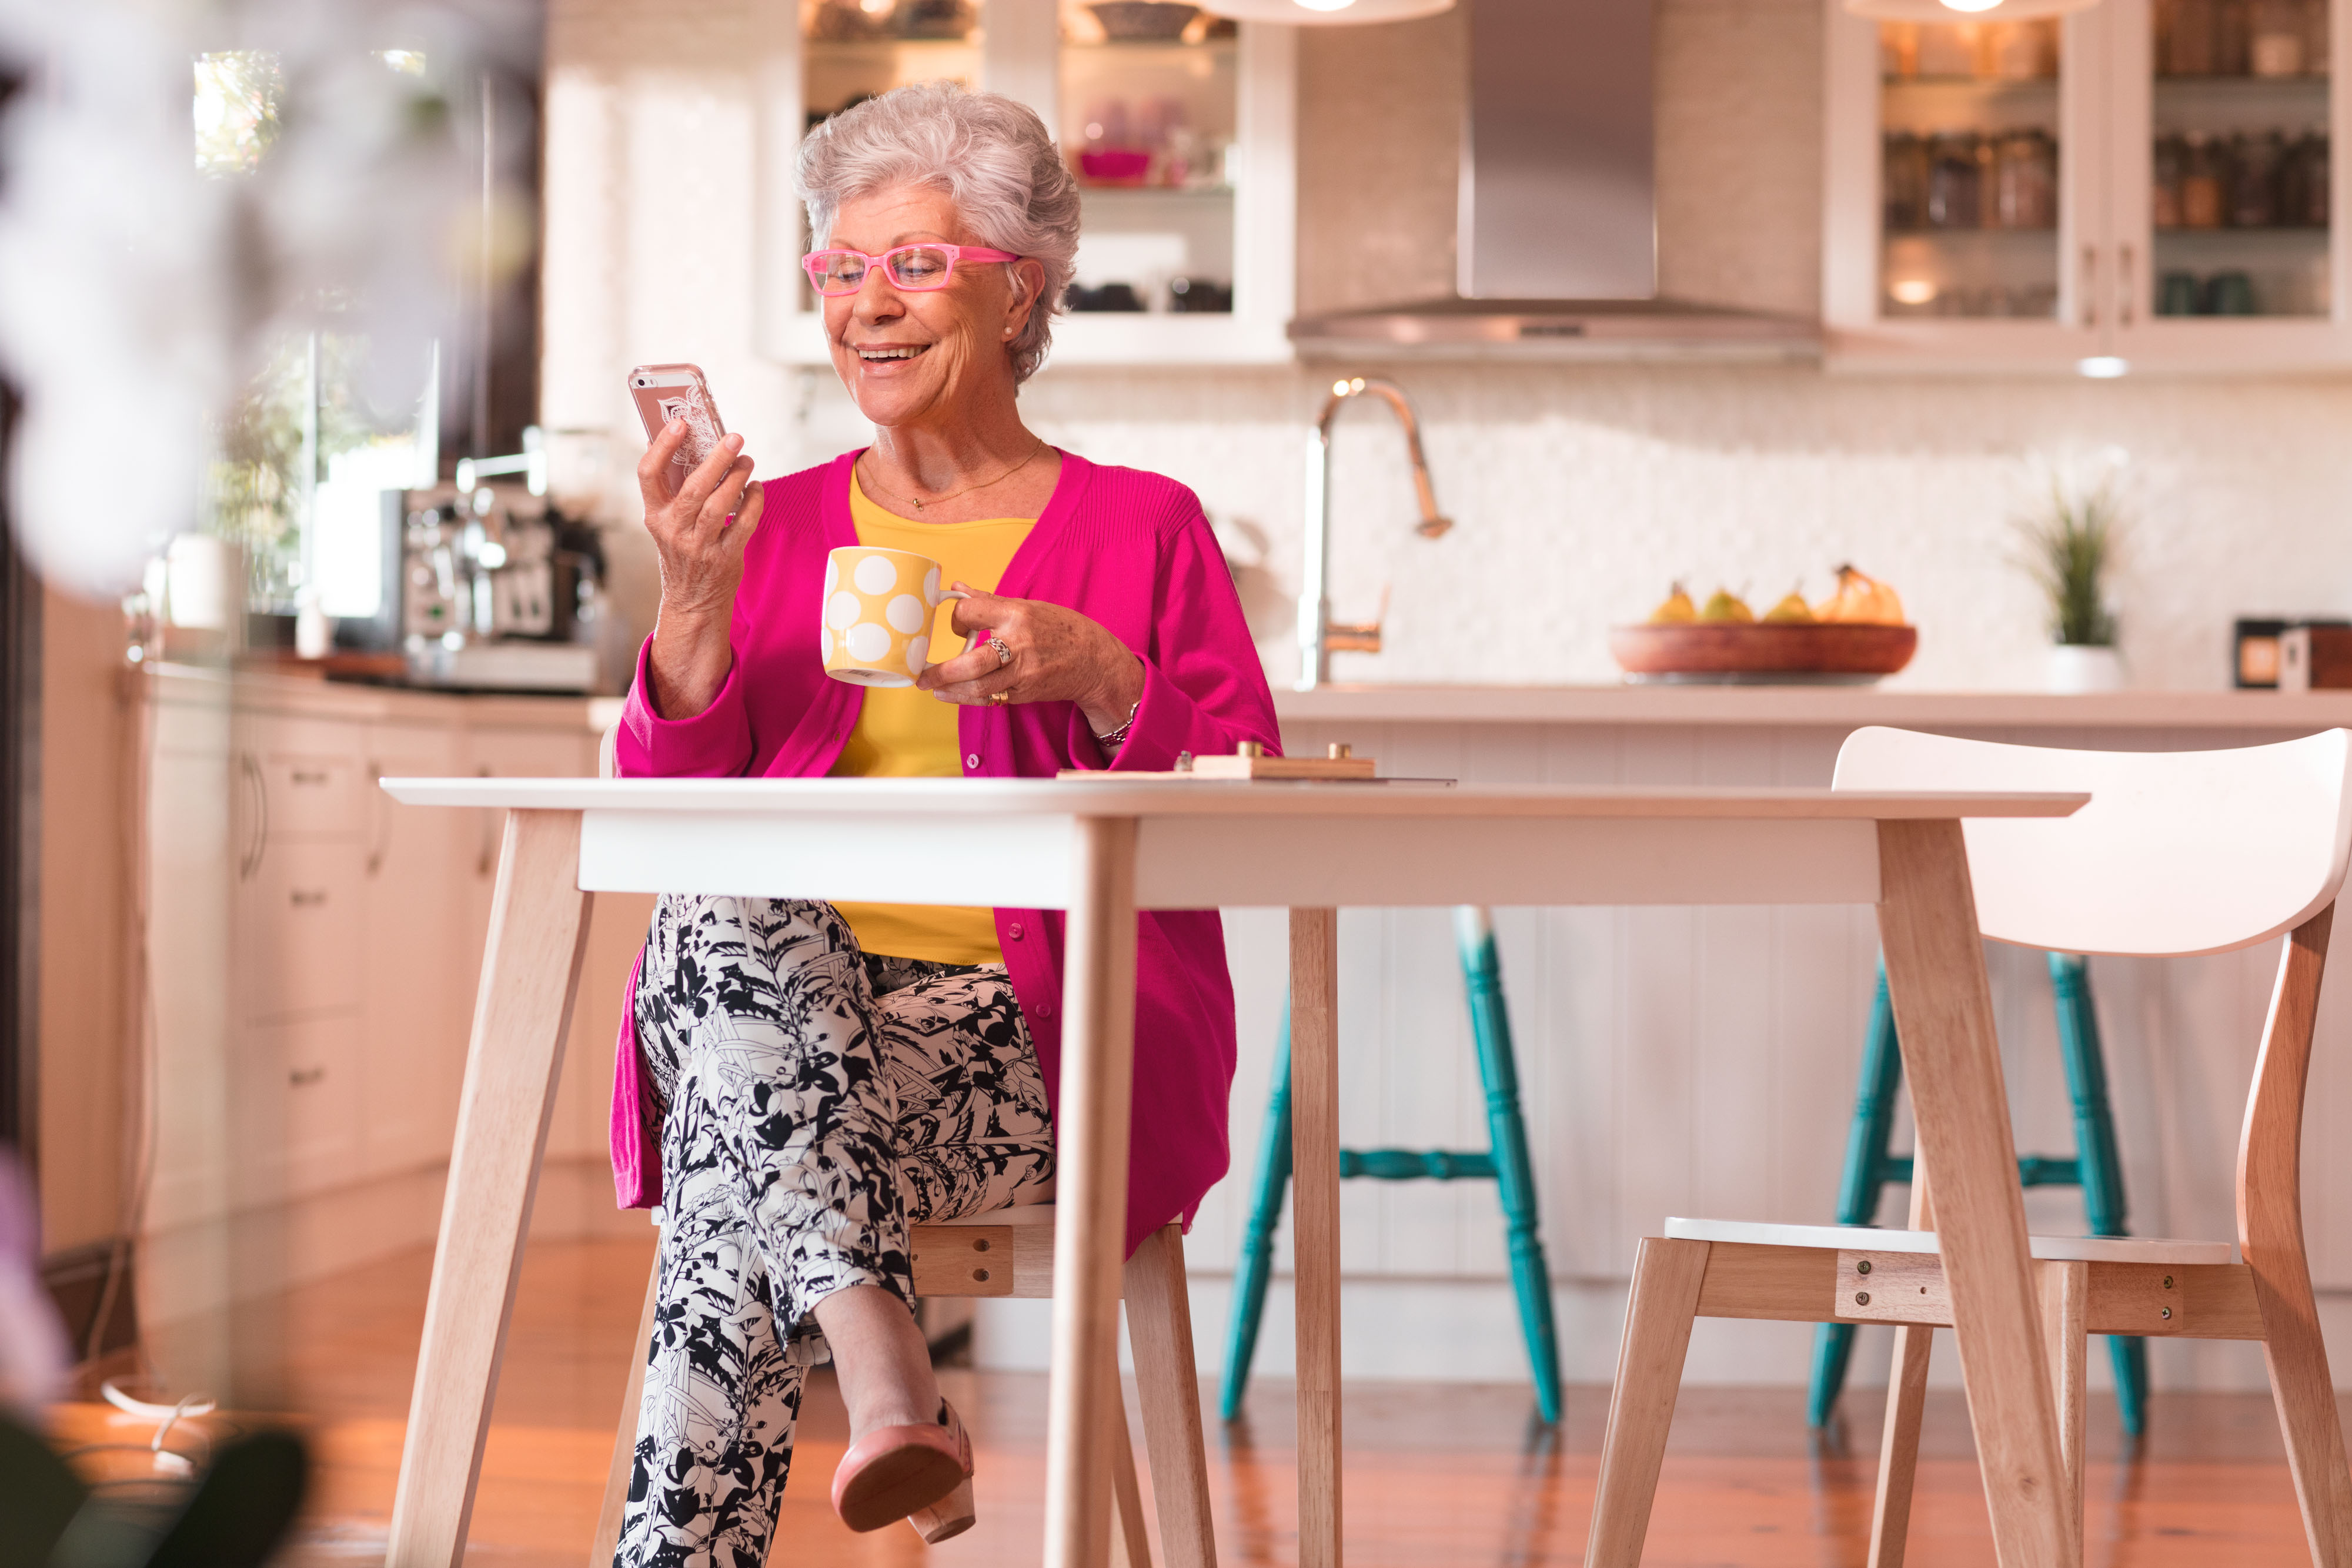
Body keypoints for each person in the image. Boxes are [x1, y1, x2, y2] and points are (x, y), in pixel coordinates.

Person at [607, 81, 1278, 1566]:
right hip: (777, 1003)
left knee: (735, 1175)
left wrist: (1106, 677)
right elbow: (667, 824)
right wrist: (692, 605)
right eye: (840, 270)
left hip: (1041, 1034)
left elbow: (1248, 798)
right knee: (722, 917)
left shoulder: (1144, 525)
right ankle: (891, 1371)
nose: (866, 308)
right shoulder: (760, 524)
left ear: (1017, 283)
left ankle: (869, 1376)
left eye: (911, 264)